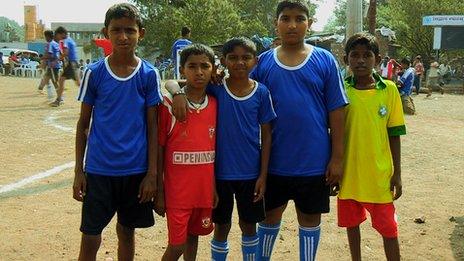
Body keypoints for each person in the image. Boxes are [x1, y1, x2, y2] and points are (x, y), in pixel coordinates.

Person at [165, 1, 347, 260]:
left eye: (299, 18)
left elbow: (337, 110)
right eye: (285, 18)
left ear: (310, 23)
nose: (292, 24)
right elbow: (194, 82)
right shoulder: (263, 62)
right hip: (273, 164)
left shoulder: (324, 60)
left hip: (313, 160)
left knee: (309, 218)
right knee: (268, 218)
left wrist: (337, 157)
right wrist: (180, 89)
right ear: (276, 24)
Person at [73, 3, 162, 260]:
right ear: (106, 33)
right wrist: (79, 170)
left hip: (135, 171)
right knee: (91, 236)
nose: (123, 36)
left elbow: (153, 125)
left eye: (130, 30)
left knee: (126, 231)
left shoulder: (148, 74)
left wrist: (152, 175)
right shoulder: (94, 73)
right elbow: (83, 124)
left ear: (140, 33)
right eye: (117, 30)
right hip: (99, 170)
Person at [194, 37, 274, 261]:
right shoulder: (215, 90)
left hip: (251, 174)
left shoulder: (261, 93)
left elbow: (267, 135)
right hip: (219, 174)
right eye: (233, 58)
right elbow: (181, 86)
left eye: (246, 57)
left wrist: (263, 175)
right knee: (221, 226)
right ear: (223, 61)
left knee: (249, 226)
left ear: (255, 61)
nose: (240, 62)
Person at [339, 32, 405, 261]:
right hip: (349, 174)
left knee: (389, 229)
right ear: (345, 60)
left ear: (377, 59)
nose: (360, 60)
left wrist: (397, 173)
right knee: (352, 224)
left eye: (367, 55)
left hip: (379, 175)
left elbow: (394, 133)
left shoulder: (388, 90)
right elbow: (333, 133)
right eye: (354, 55)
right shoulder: (340, 90)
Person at [155, 43, 217, 261]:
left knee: (194, 239)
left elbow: (213, 151)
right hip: (176, 194)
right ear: (182, 70)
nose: (199, 72)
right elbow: (160, 149)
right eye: (192, 66)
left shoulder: (216, 103)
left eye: (204, 66)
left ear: (213, 69)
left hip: (203, 192)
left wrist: (213, 188)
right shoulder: (170, 105)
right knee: (177, 246)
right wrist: (159, 191)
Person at [51, 26, 81, 107]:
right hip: (72, 63)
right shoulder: (69, 39)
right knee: (62, 80)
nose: (57, 37)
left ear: (62, 34)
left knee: (78, 84)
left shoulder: (65, 41)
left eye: (58, 35)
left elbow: (66, 52)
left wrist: (57, 60)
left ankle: (93, 97)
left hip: (72, 64)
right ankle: (59, 99)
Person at [37, 30, 61, 96]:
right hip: (52, 65)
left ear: (47, 36)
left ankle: (60, 98)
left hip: (53, 65)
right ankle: (49, 94)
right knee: (46, 78)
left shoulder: (50, 44)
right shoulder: (55, 43)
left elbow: (49, 55)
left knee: (55, 82)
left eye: (45, 37)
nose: (45, 38)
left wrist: (41, 58)